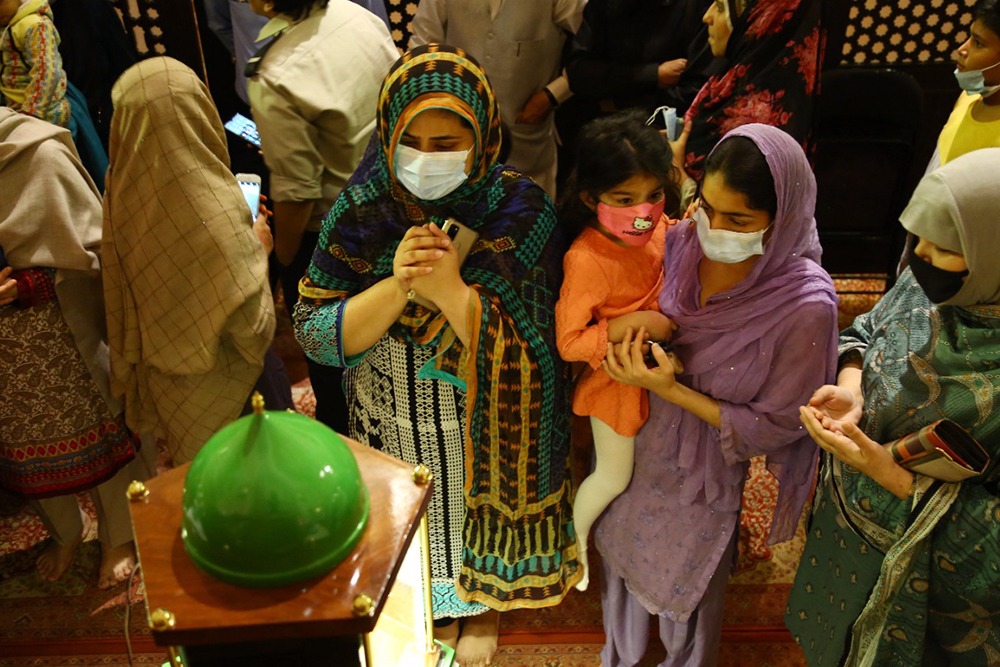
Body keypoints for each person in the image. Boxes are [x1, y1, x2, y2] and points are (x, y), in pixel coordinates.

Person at [294, 44, 579, 667]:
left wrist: (451, 292)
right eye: (411, 141)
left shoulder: (520, 209)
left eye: (447, 143)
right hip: (388, 421)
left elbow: (538, 348)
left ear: (483, 137)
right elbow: (314, 335)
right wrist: (398, 284)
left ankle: (481, 608)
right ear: (387, 132)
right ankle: (432, 611)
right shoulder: (360, 209)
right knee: (411, 530)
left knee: (464, 518)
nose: (425, 159)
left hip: (478, 429)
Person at [596, 124, 839, 667]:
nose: (714, 229)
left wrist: (672, 391)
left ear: (782, 218)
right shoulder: (682, 241)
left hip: (705, 469)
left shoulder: (804, 305)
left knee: (688, 578)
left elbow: (779, 424)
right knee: (623, 546)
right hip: (635, 431)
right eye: (707, 207)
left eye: (739, 221)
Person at [787, 149, 1000, 666]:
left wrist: (891, 476)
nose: (920, 257)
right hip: (848, 528)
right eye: (918, 237)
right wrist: (854, 387)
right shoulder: (928, 281)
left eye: (945, 248)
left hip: (929, 586)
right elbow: (865, 330)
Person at [0, 107, 153, 589]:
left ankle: (119, 536)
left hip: (60, 333)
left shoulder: (37, 153)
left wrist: (27, 284)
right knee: (20, 452)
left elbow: (95, 253)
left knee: (102, 436)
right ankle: (66, 532)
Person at [102, 57, 276, 465]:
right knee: (250, 477)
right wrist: (258, 248)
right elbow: (254, 327)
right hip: (230, 387)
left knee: (198, 473)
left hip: (167, 381)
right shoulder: (215, 206)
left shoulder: (119, 191)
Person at [246, 0, 398, 433]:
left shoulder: (276, 75)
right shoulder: (356, 15)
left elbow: (297, 193)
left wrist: (285, 259)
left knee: (335, 370)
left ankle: (351, 456)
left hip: (332, 238)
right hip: (398, 201)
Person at [554, 109, 682, 592]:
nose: (643, 210)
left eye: (654, 195)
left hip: (665, 372)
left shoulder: (659, 228)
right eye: (625, 200)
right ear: (591, 198)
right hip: (616, 384)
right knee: (613, 476)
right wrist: (633, 324)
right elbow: (569, 342)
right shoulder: (587, 258)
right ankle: (575, 542)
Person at [408, 0, 586, 199]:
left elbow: (595, 41)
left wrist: (553, 95)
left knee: (529, 209)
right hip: (456, 136)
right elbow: (423, 46)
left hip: (525, 139)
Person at [672, 0, 822, 193]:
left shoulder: (761, 129)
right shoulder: (730, 82)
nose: (707, 17)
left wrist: (678, 176)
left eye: (720, 7)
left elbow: (725, 209)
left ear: (760, 21)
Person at [0, 0, 70, 126]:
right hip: (11, 107)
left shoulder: (36, 25)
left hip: (42, 113)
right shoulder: (6, 23)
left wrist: (31, 113)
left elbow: (46, 71)